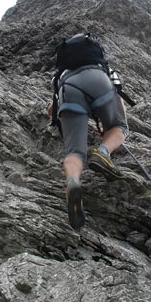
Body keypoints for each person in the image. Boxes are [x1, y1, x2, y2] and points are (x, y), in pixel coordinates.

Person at [49, 33, 129, 230]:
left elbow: (54, 107)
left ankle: (73, 181)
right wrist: (110, 119)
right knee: (119, 128)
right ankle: (102, 153)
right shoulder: (103, 66)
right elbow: (118, 96)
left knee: (74, 152)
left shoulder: (60, 75)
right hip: (99, 81)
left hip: (68, 90)